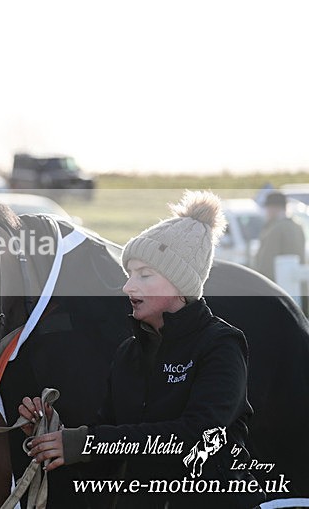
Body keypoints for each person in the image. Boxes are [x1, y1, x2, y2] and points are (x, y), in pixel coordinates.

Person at [19, 191, 265, 509]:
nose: (128, 287)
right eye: (129, 274)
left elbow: (197, 437)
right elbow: (107, 457)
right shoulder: (127, 354)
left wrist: (86, 443)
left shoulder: (221, 344)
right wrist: (55, 434)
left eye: (145, 275)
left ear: (182, 285)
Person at [253, 191, 305, 281]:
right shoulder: (298, 226)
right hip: (298, 285)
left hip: (278, 286)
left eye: (267, 208)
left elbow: (266, 263)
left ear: (274, 208)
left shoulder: (275, 229)